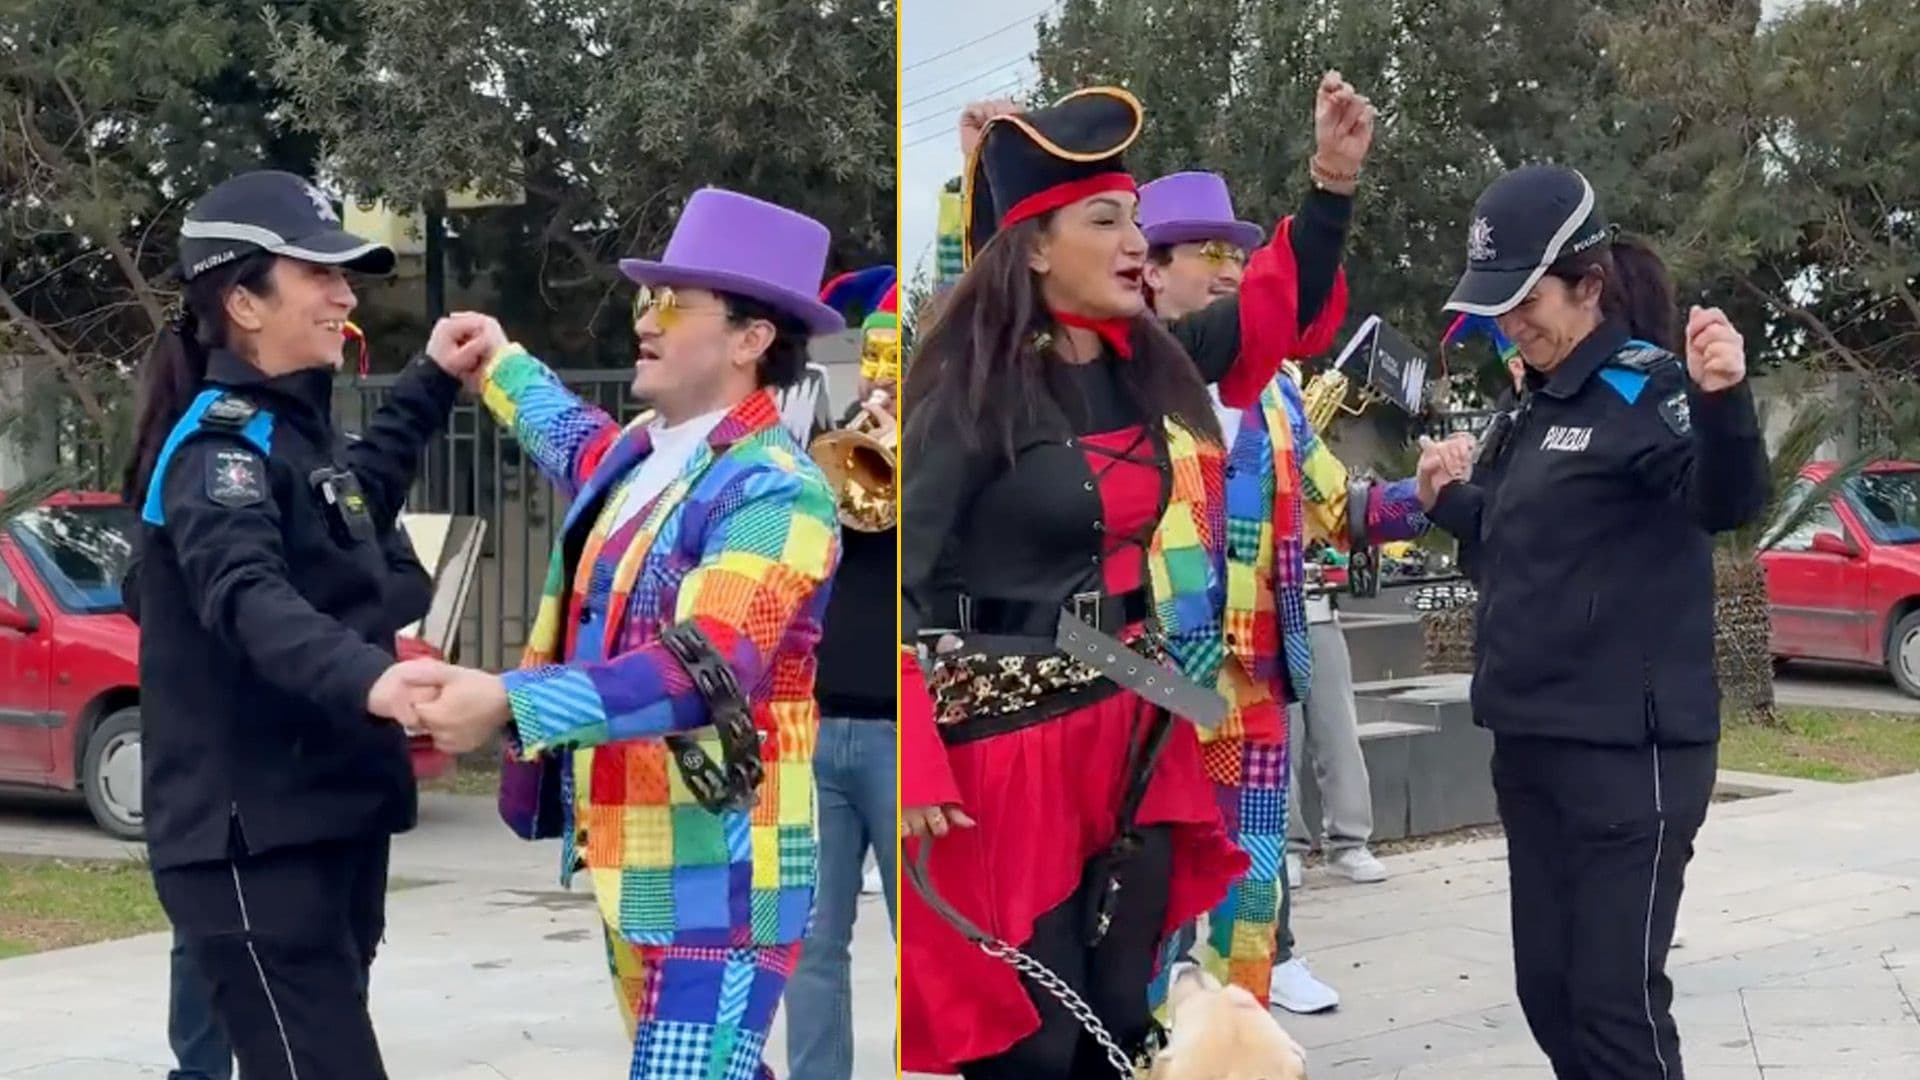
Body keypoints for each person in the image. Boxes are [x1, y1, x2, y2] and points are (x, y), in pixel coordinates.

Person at [899, 83, 1378, 1077]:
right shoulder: (964, 388)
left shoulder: (1146, 360)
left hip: (1135, 708)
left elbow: (1272, 312)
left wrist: (1331, 183)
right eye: (1106, 219)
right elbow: (897, 574)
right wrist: (915, 756)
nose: (1134, 241)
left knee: (1124, 1014)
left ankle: (1260, 965)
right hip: (1006, 745)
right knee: (1034, 1044)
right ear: (1033, 244)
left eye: (1137, 219)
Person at [394, 188, 845, 1080]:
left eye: (675, 304)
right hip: (637, 861)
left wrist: (507, 702)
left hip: (726, 868)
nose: (647, 319)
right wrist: (498, 363)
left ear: (753, 339)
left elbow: (704, 666)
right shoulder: (646, 452)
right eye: (648, 298)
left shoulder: (779, 490)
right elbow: (573, 438)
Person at [1419, 163, 1769, 1080]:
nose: (1512, 322)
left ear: (1589, 284)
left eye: (1526, 299)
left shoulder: (1646, 390)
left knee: (1615, 1007)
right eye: (1497, 304)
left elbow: (1722, 501)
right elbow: (1515, 537)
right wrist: (1447, 499)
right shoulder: (1528, 404)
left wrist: (1724, 404)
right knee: (1551, 992)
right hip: (1532, 744)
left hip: (1630, 755)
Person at [122, 169, 474, 1079]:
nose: (345, 295)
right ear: (243, 300)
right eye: (319, 275)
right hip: (253, 838)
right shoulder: (214, 451)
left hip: (324, 820)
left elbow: (354, 499)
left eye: (344, 276)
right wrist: (370, 677)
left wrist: (434, 380)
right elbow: (247, 597)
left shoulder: (292, 433)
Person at [1136, 149, 1427, 1018]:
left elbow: (1343, 509)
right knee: (1143, 901)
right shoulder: (1114, 383)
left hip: (1255, 686)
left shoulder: (1277, 398)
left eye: (1238, 255)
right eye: (1206, 253)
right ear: (1148, 271)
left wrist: (1429, 495)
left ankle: (1237, 1049)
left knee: (1251, 903)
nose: (1229, 270)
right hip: (1147, 683)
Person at [785, 266, 900, 1080]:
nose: (879, 375)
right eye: (874, 357)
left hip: (904, 732)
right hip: (817, 724)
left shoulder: (940, 447)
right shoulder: (819, 445)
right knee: (813, 943)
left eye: (896, 360)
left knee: (927, 942)